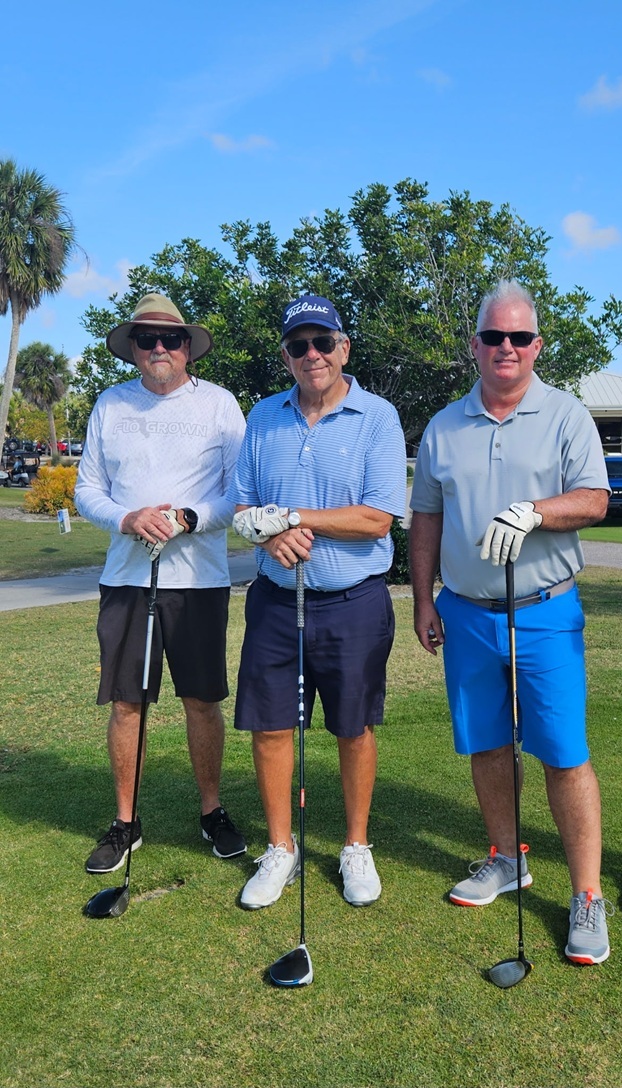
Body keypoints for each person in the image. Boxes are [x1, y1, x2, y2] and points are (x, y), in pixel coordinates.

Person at [409, 279, 614, 965]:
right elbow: (427, 518)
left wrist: (535, 511)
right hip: (466, 613)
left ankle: (586, 894)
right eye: (494, 336)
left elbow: (594, 500)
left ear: (537, 345)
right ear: (474, 345)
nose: (507, 347)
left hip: (544, 611)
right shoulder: (444, 426)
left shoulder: (566, 415)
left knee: (564, 754)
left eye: (519, 337)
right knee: (488, 745)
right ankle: (506, 857)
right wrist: (422, 599)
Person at [229, 294, 406, 911]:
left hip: (354, 601)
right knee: (271, 726)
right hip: (276, 602)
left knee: (353, 727)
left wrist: (293, 517)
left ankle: (356, 845)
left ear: (343, 348)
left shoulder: (377, 417)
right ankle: (281, 847)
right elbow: (243, 505)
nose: (312, 355)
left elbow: (377, 518)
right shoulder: (263, 416)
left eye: (323, 342)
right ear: (286, 356)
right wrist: (268, 533)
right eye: (299, 346)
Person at [75, 293, 248, 874]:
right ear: (132, 348)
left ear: (186, 347)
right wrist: (128, 518)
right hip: (127, 577)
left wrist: (189, 517)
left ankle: (212, 810)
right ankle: (126, 822)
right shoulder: (110, 404)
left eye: (169, 339)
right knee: (127, 704)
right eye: (146, 339)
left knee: (202, 701)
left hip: (199, 580)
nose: (158, 348)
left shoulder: (220, 404)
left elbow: (238, 491)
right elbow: (87, 490)